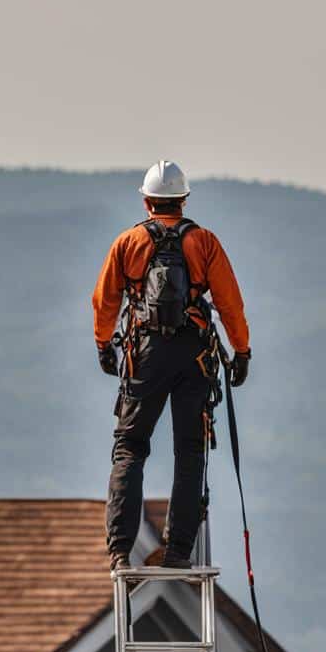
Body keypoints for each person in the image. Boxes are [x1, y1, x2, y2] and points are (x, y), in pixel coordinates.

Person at [92, 160, 251, 570]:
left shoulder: (127, 243)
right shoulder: (205, 243)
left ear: (147, 201)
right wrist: (242, 352)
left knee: (129, 448)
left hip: (145, 353)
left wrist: (104, 345)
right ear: (182, 201)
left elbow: (105, 301)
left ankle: (121, 551)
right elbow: (230, 303)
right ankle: (178, 551)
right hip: (194, 354)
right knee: (190, 450)